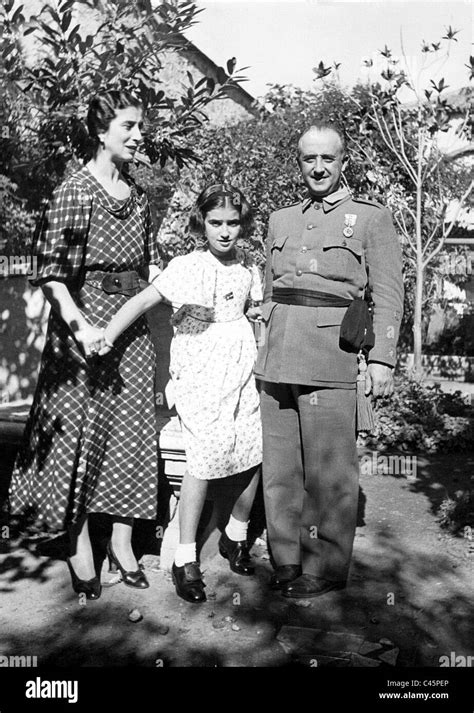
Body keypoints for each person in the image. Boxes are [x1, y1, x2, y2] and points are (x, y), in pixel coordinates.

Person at [9, 90, 162, 599]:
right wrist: (81, 328)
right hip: (83, 326)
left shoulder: (138, 196)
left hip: (129, 330)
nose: (138, 135)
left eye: (140, 126)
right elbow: (51, 276)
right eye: (128, 126)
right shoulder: (75, 190)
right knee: (77, 431)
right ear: (101, 132)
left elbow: (143, 269)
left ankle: (122, 544)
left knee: (130, 431)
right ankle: (79, 546)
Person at [255, 122, 404, 598]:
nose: (317, 168)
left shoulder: (369, 218)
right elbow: (268, 289)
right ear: (298, 162)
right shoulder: (280, 219)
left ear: (343, 162)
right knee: (281, 468)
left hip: (331, 355)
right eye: (308, 159)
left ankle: (325, 567)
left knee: (330, 470)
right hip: (277, 355)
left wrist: (382, 360)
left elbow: (388, 293)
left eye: (328, 159)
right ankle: (287, 559)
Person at [99, 184, 263, 603]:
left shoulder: (247, 266)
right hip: (202, 372)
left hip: (243, 369)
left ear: (242, 225)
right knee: (203, 457)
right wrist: (107, 335)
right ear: (201, 223)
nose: (224, 232)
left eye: (232, 223)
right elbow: (145, 301)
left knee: (253, 448)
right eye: (215, 223)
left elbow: (250, 316)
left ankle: (235, 533)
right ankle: (184, 557)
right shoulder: (188, 264)